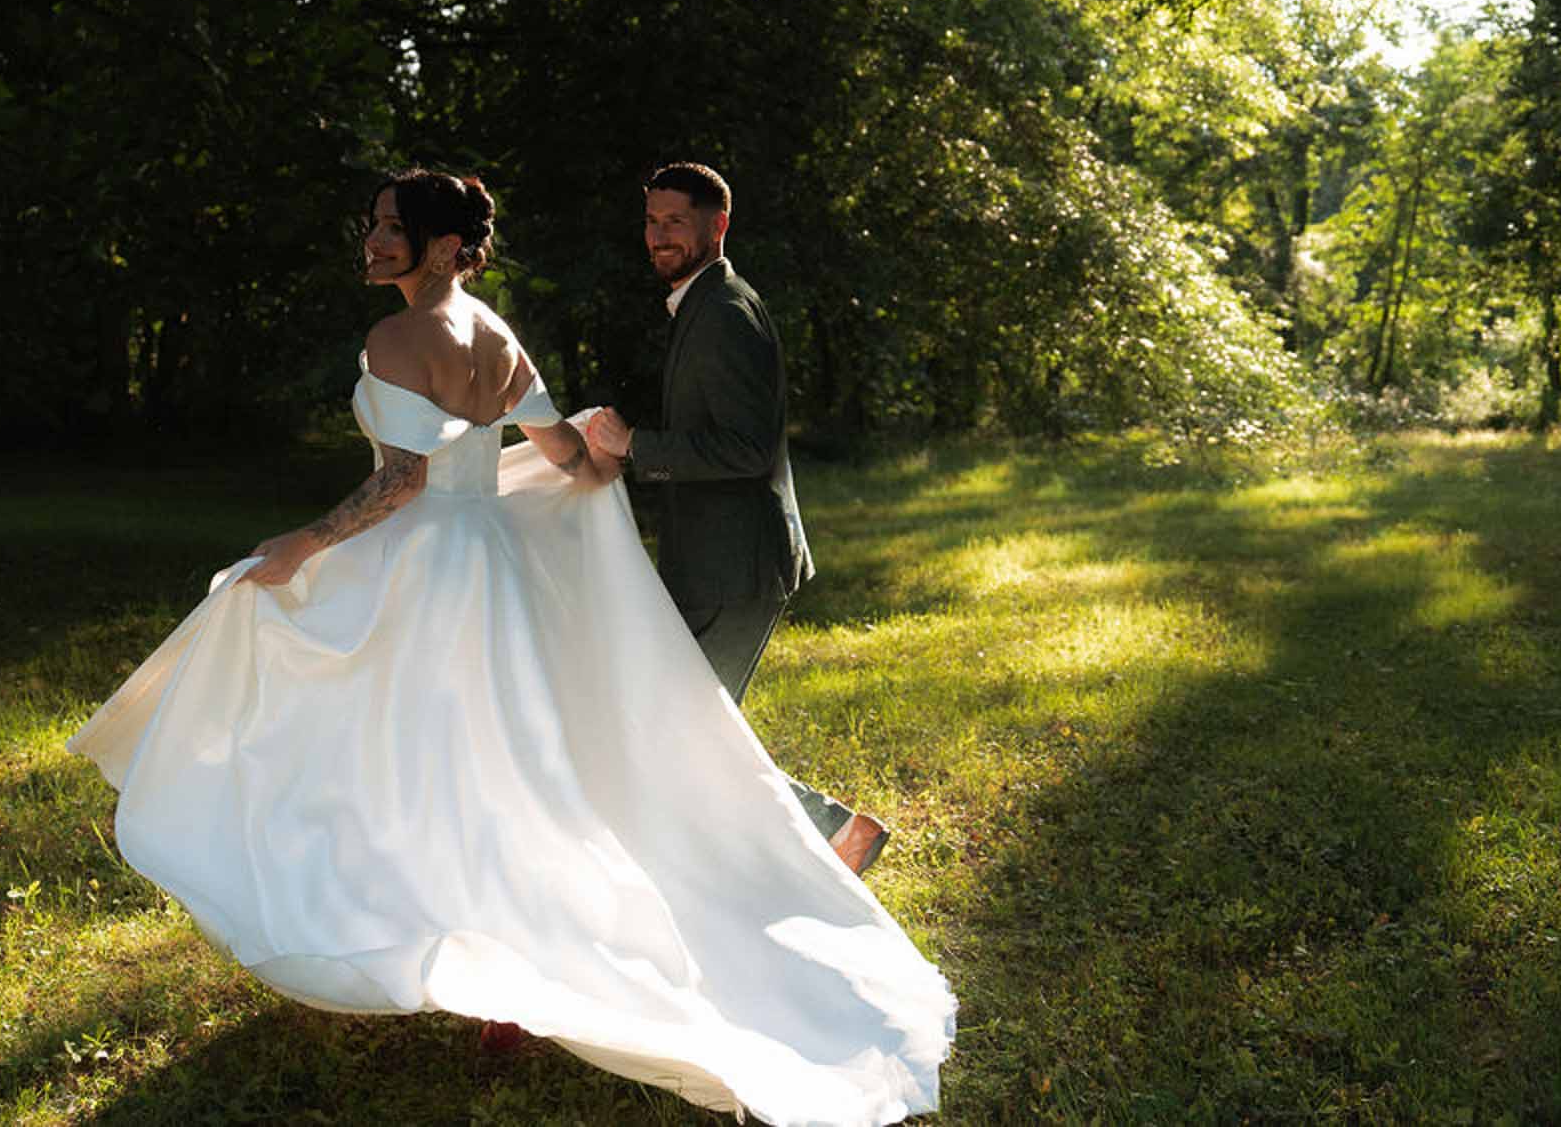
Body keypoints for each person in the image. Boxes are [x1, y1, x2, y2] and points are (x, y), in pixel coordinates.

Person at [67, 169, 954, 1125]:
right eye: (370, 224)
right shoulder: (496, 333)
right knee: (505, 768)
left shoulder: (397, 336)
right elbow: (565, 455)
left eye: (390, 228)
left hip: (419, 571)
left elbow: (402, 482)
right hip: (491, 563)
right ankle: (498, 954)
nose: (370, 240)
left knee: (400, 750)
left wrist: (306, 543)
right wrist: (599, 451)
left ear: (444, 245)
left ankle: (462, 947)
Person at [588, 162, 890, 875]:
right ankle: (803, 839)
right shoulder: (698, 305)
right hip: (710, 559)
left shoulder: (723, 313)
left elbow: (747, 449)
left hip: (736, 564)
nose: (659, 236)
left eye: (675, 222)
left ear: (717, 226)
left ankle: (837, 833)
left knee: (687, 732)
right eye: (652, 221)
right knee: (686, 726)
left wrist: (636, 447)